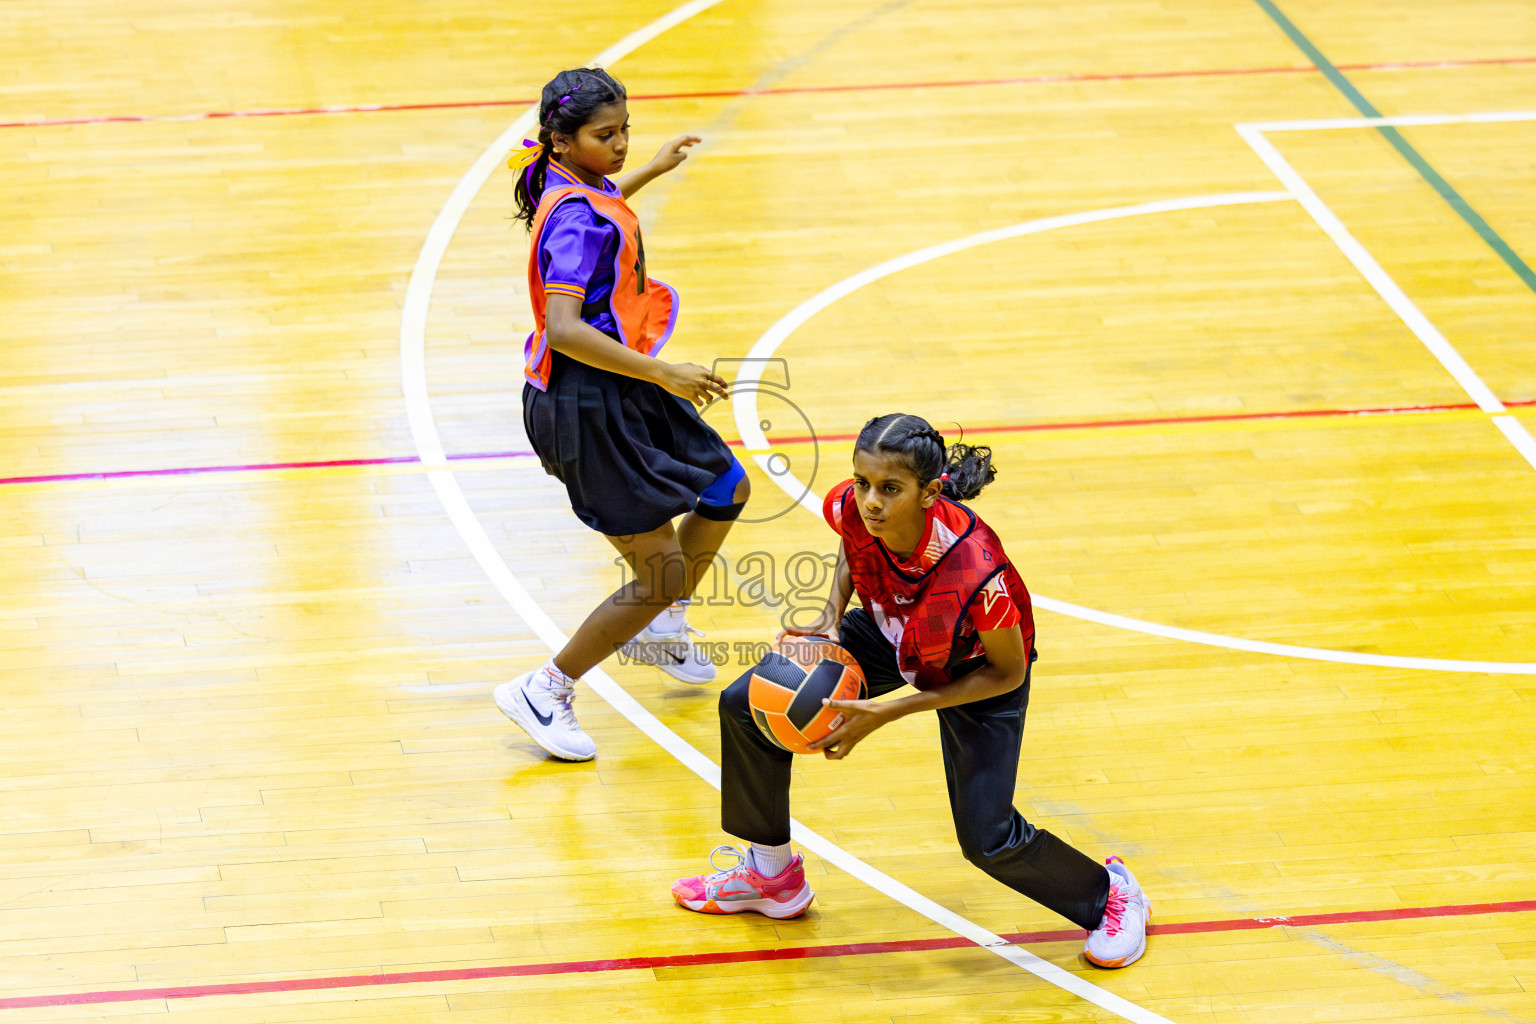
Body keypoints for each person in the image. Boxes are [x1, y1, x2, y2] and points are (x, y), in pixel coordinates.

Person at [671, 413, 1150, 968]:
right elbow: (854, 547)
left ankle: (1111, 894)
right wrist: (829, 618)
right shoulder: (852, 508)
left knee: (988, 839)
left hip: (972, 671)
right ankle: (771, 874)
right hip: (887, 630)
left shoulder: (975, 571)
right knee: (744, 703)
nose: (870, 502)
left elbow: (1008, 671)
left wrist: (889, 710)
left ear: (930, 493)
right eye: (862, 483)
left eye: (890, 489)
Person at [493, 67, 749, 762]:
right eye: (606, 137)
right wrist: (666, 371)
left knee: (727, 488)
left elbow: (601, 205)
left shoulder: (572, 183)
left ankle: (662, 623)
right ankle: (545, 688)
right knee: (661, 569)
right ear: (562, 140)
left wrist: (653, 172)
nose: (622, 146)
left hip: (615, 385)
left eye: (626, 131)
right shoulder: (572, 218)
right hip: (583, 402)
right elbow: (565, 327)